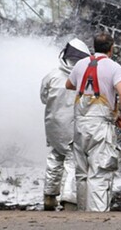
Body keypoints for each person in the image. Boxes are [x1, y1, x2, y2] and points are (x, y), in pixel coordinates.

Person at [65, 32, 121, 212]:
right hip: (100, 125)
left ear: (94, 47)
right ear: (111, 49)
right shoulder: (114, 67)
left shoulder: (80, 64)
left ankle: (83, 217)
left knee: (82, 174)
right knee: (99, 173)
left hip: (80, 124)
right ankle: (98, 220)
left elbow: (68, 85)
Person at [40, 38, 91, 211]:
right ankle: (69, 199)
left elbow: (43, 98)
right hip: (72, 126)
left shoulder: (52, 75)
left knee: (55, 157)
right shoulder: (84, 79)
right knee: (73, 160)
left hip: (53, 125)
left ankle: (49, 196)